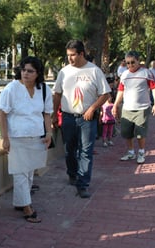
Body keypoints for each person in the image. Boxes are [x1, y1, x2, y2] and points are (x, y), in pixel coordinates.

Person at [52, 40, 111, 199]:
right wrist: (52, 114)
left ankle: (83, 184)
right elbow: (57, 93)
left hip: (87, 119)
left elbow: (105, 94)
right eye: (68, 56)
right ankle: (72, 174)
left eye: (73, 55)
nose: (70, 59)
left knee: (86, 152)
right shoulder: (64, 72)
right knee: (69, 150)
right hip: (68, 117)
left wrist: (92, 108)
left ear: (81, 54)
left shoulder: (94, 71)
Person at [0, 56, 53, 223]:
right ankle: (27, 208)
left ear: (38, 73)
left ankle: (20, 202)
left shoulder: (43, 89)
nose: (26, 74)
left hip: (36, 136)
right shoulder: (11, 89)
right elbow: (2, 113)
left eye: (30, 71)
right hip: (17, 137)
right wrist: (5, 137)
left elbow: (47, 114)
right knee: (20, 172)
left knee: (29, 171)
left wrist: (49, 134)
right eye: (23, 70)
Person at [112, 51, 155, 164]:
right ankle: (131, 152)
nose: (130, 65)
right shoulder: (124, 75)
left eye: (133, 62)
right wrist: (115, 105)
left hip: (142, 108)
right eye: (128, 63)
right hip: (127, 108)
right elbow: (120, 91)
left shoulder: (146, 73)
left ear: (138, 61)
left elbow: (154, 88)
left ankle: (141, 153)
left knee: (140, 133)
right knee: (127, 132)